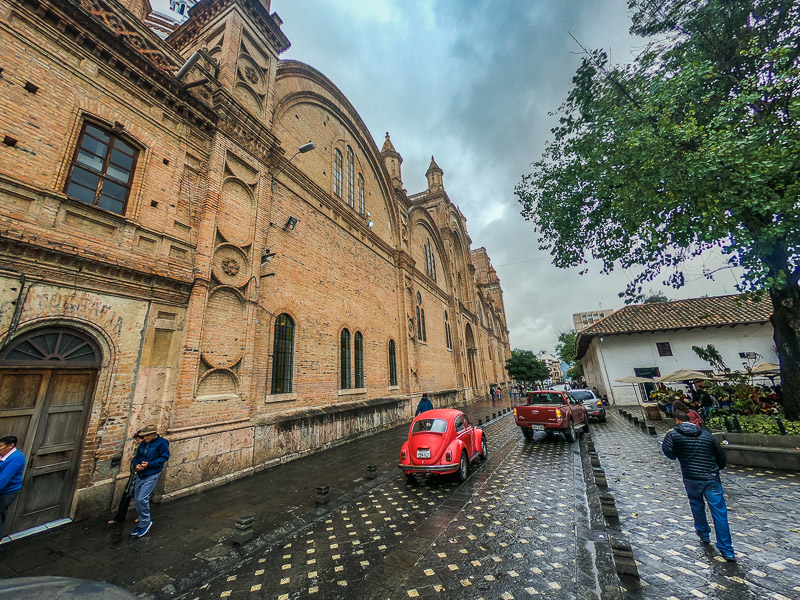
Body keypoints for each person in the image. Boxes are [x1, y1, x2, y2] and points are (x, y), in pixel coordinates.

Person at [662, 411, 735, 561]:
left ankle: (703, 533)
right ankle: (727, 549)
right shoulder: (706, 435)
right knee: (719, 512)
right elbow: (720, 456)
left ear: (677, 421)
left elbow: (669, 453)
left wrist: (680, 453)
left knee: (696, 504)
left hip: (691, 477)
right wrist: (716, 468)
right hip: (711, 477)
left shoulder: (673, 435)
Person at [130, 424, 170, 538]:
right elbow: (137, 456)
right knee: (137, 499)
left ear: (153, 434)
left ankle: (146, 523)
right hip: (141, 473)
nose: (145, 438)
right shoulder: (143, 443)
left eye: (147, 436)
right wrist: (136, 464)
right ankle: (142, 522)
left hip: (152, 473)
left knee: (142, 497)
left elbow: (164, 457)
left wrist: (150, 464)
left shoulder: (162, 443)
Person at [108, 433, 143, 525]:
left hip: (140, 478)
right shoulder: (138, 448)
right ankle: (119, 518)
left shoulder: (146, 449)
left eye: (138, 439)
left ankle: (142, 517)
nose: (136, 441)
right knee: (126, 497)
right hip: (133, 477)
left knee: (140, 499)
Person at [0, 435, 26, 539]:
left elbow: (3, 480)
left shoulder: (16, 458)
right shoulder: (3, 455)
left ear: (10, 445)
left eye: (1, 446)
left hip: (6, 493)